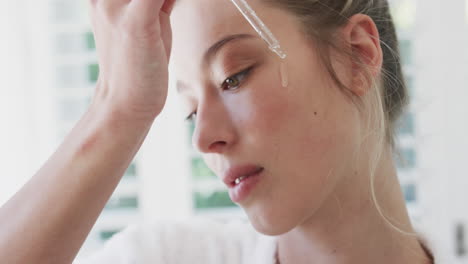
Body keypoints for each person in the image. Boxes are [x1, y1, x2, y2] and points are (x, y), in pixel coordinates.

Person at [0, 0, 437, 263]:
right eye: (190, 109)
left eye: (234, 77)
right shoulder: (166, 258)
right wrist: (116, 110)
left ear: (356, 56)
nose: (203, 138)